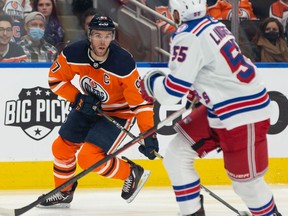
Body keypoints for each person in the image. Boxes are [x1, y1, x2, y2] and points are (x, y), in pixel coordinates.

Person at [140, 0, 282, 215]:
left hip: (243, 115)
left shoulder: (188, 36)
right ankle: (191, 212)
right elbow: (216, 68)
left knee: (247, 185)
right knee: (177, 155)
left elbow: (171, 93)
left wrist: (151, 82)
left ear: (177, 11)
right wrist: (198, 86)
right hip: (221, 108)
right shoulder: (214, 24)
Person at [37, 15, 159, 208]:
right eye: (98, 35)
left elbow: (141, 104)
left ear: (112, 37)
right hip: (88, 106)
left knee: (88, 158)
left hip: (119, 113)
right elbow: (55, 80)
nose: (102, 41)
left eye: (107, 35)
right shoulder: (73, 53)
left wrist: (148, 134)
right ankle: (64, 191)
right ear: (89, 35)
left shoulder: (123, 62)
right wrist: (78, 98)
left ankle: (131, 172)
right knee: (61, 148)